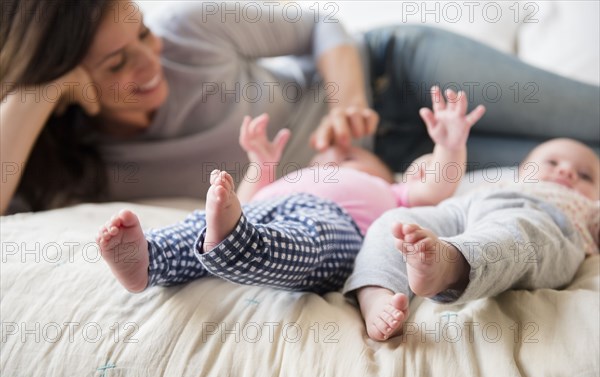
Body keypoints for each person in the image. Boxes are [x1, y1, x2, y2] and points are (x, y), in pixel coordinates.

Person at [2, 1, 598, 215]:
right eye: (115, 65)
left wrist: (349, 102)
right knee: (576, 174)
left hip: (397, 76)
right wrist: (36, 93)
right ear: (67, 87)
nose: (149, 61)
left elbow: (320, 22)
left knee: (589, 121)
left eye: (142, 36)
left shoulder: (186, 28)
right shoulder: (90, 167)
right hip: (401, 166)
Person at [95, 89, 486, 293]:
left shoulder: (392, 191)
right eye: (323, 162)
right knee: (200, 224)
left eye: (349, 160)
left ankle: (236, 242)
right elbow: (247, 201)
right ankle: (150, 259)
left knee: (306, 243)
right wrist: (262, 166)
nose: (332, 163)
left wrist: (450, 145)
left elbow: (437, 185)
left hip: (337, 226)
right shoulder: (287, 180)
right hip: (260, 211)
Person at [345, 138, 600, 341]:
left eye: (586, 176)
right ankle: (378, 293)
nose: (566, 171)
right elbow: (440, 185)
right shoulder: (501, 182)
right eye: (552, 162)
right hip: (467, 208)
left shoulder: (589, 208)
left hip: (544, 218)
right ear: (522, 170)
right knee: (398, 221)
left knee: (515, 236)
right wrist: (425, 167)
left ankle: (448, 266)